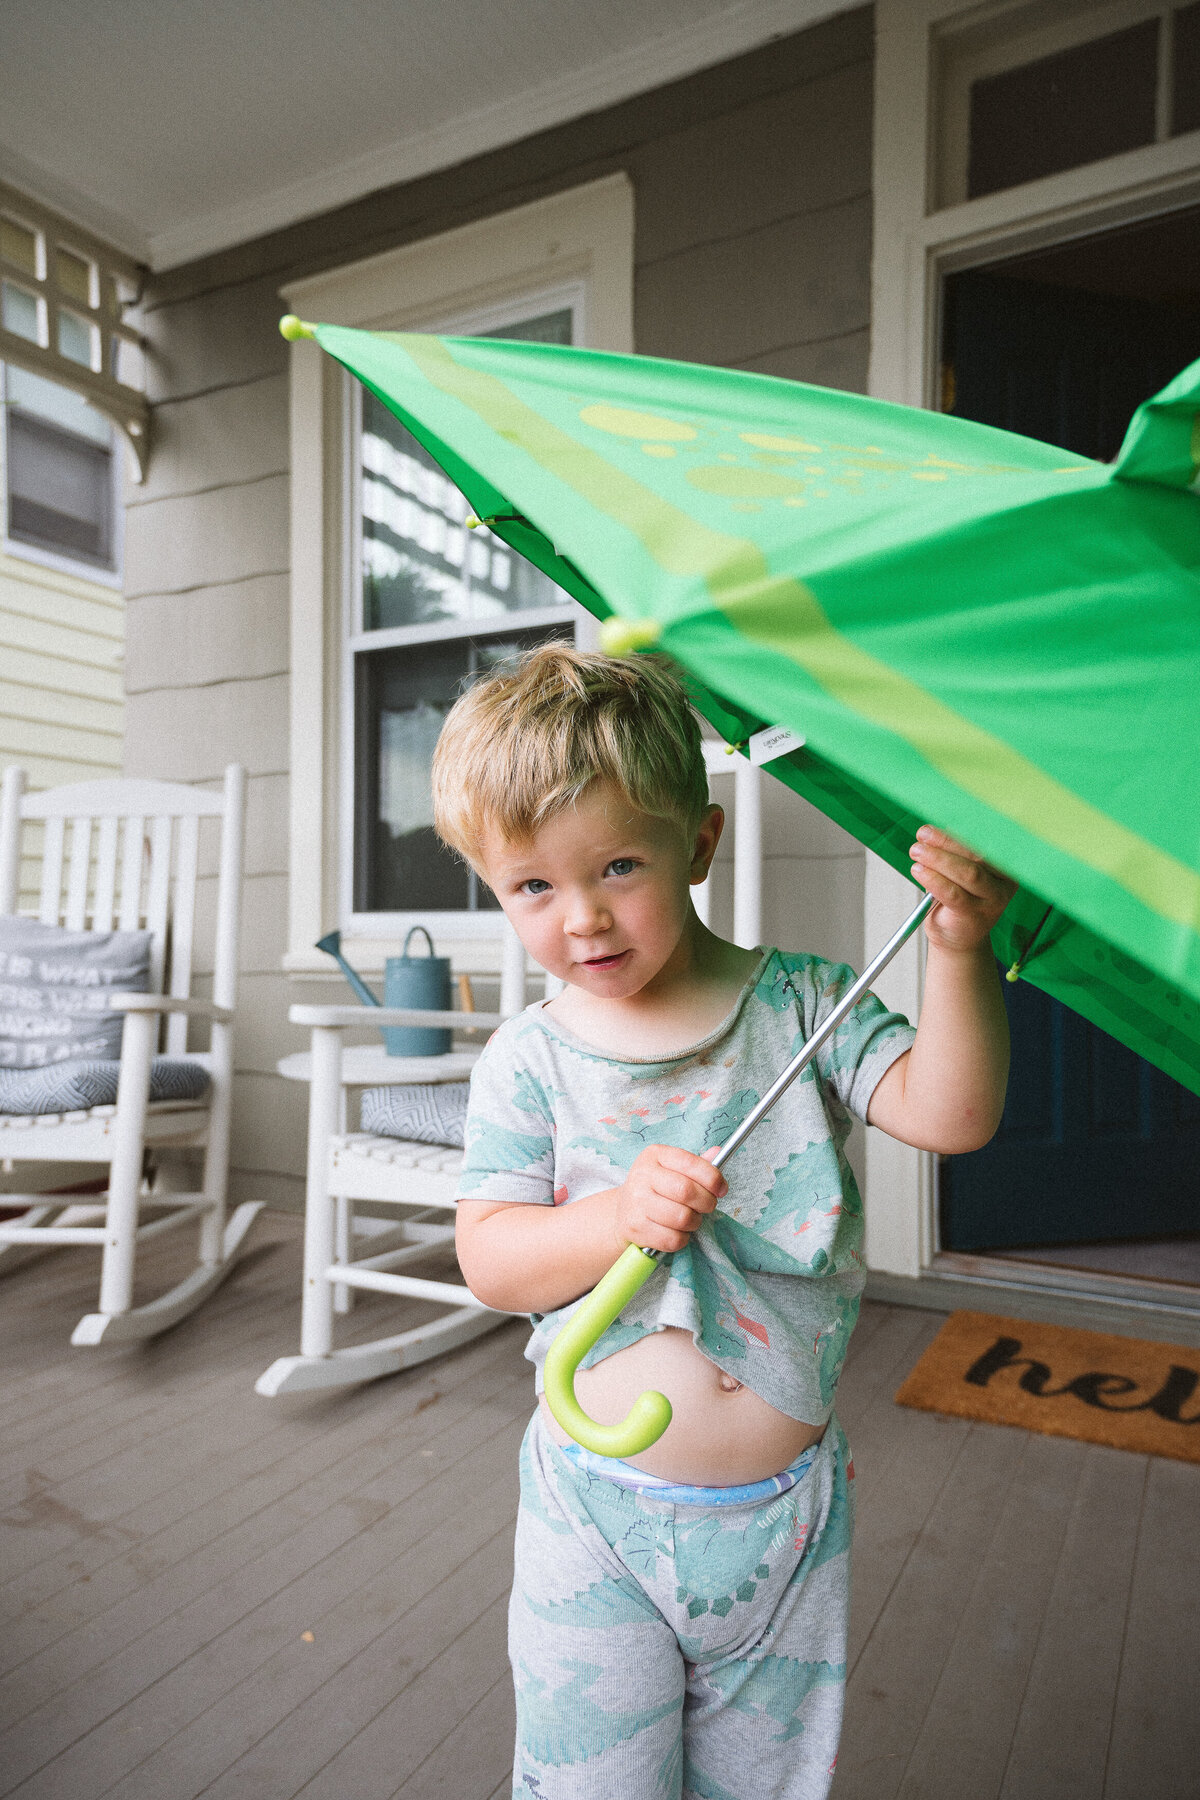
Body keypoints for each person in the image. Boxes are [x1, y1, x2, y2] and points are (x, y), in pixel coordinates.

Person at [434, 644, 1014, 1800]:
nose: (583, 918)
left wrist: (959, 953)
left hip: (783, 1521)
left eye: (617, 866)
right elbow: (492, 1259)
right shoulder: (531, 1062)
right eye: (532, 888)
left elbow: (951, 1115)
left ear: (697, 844)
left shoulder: (805, 1007)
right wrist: (612, 1217)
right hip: (596, 1517)